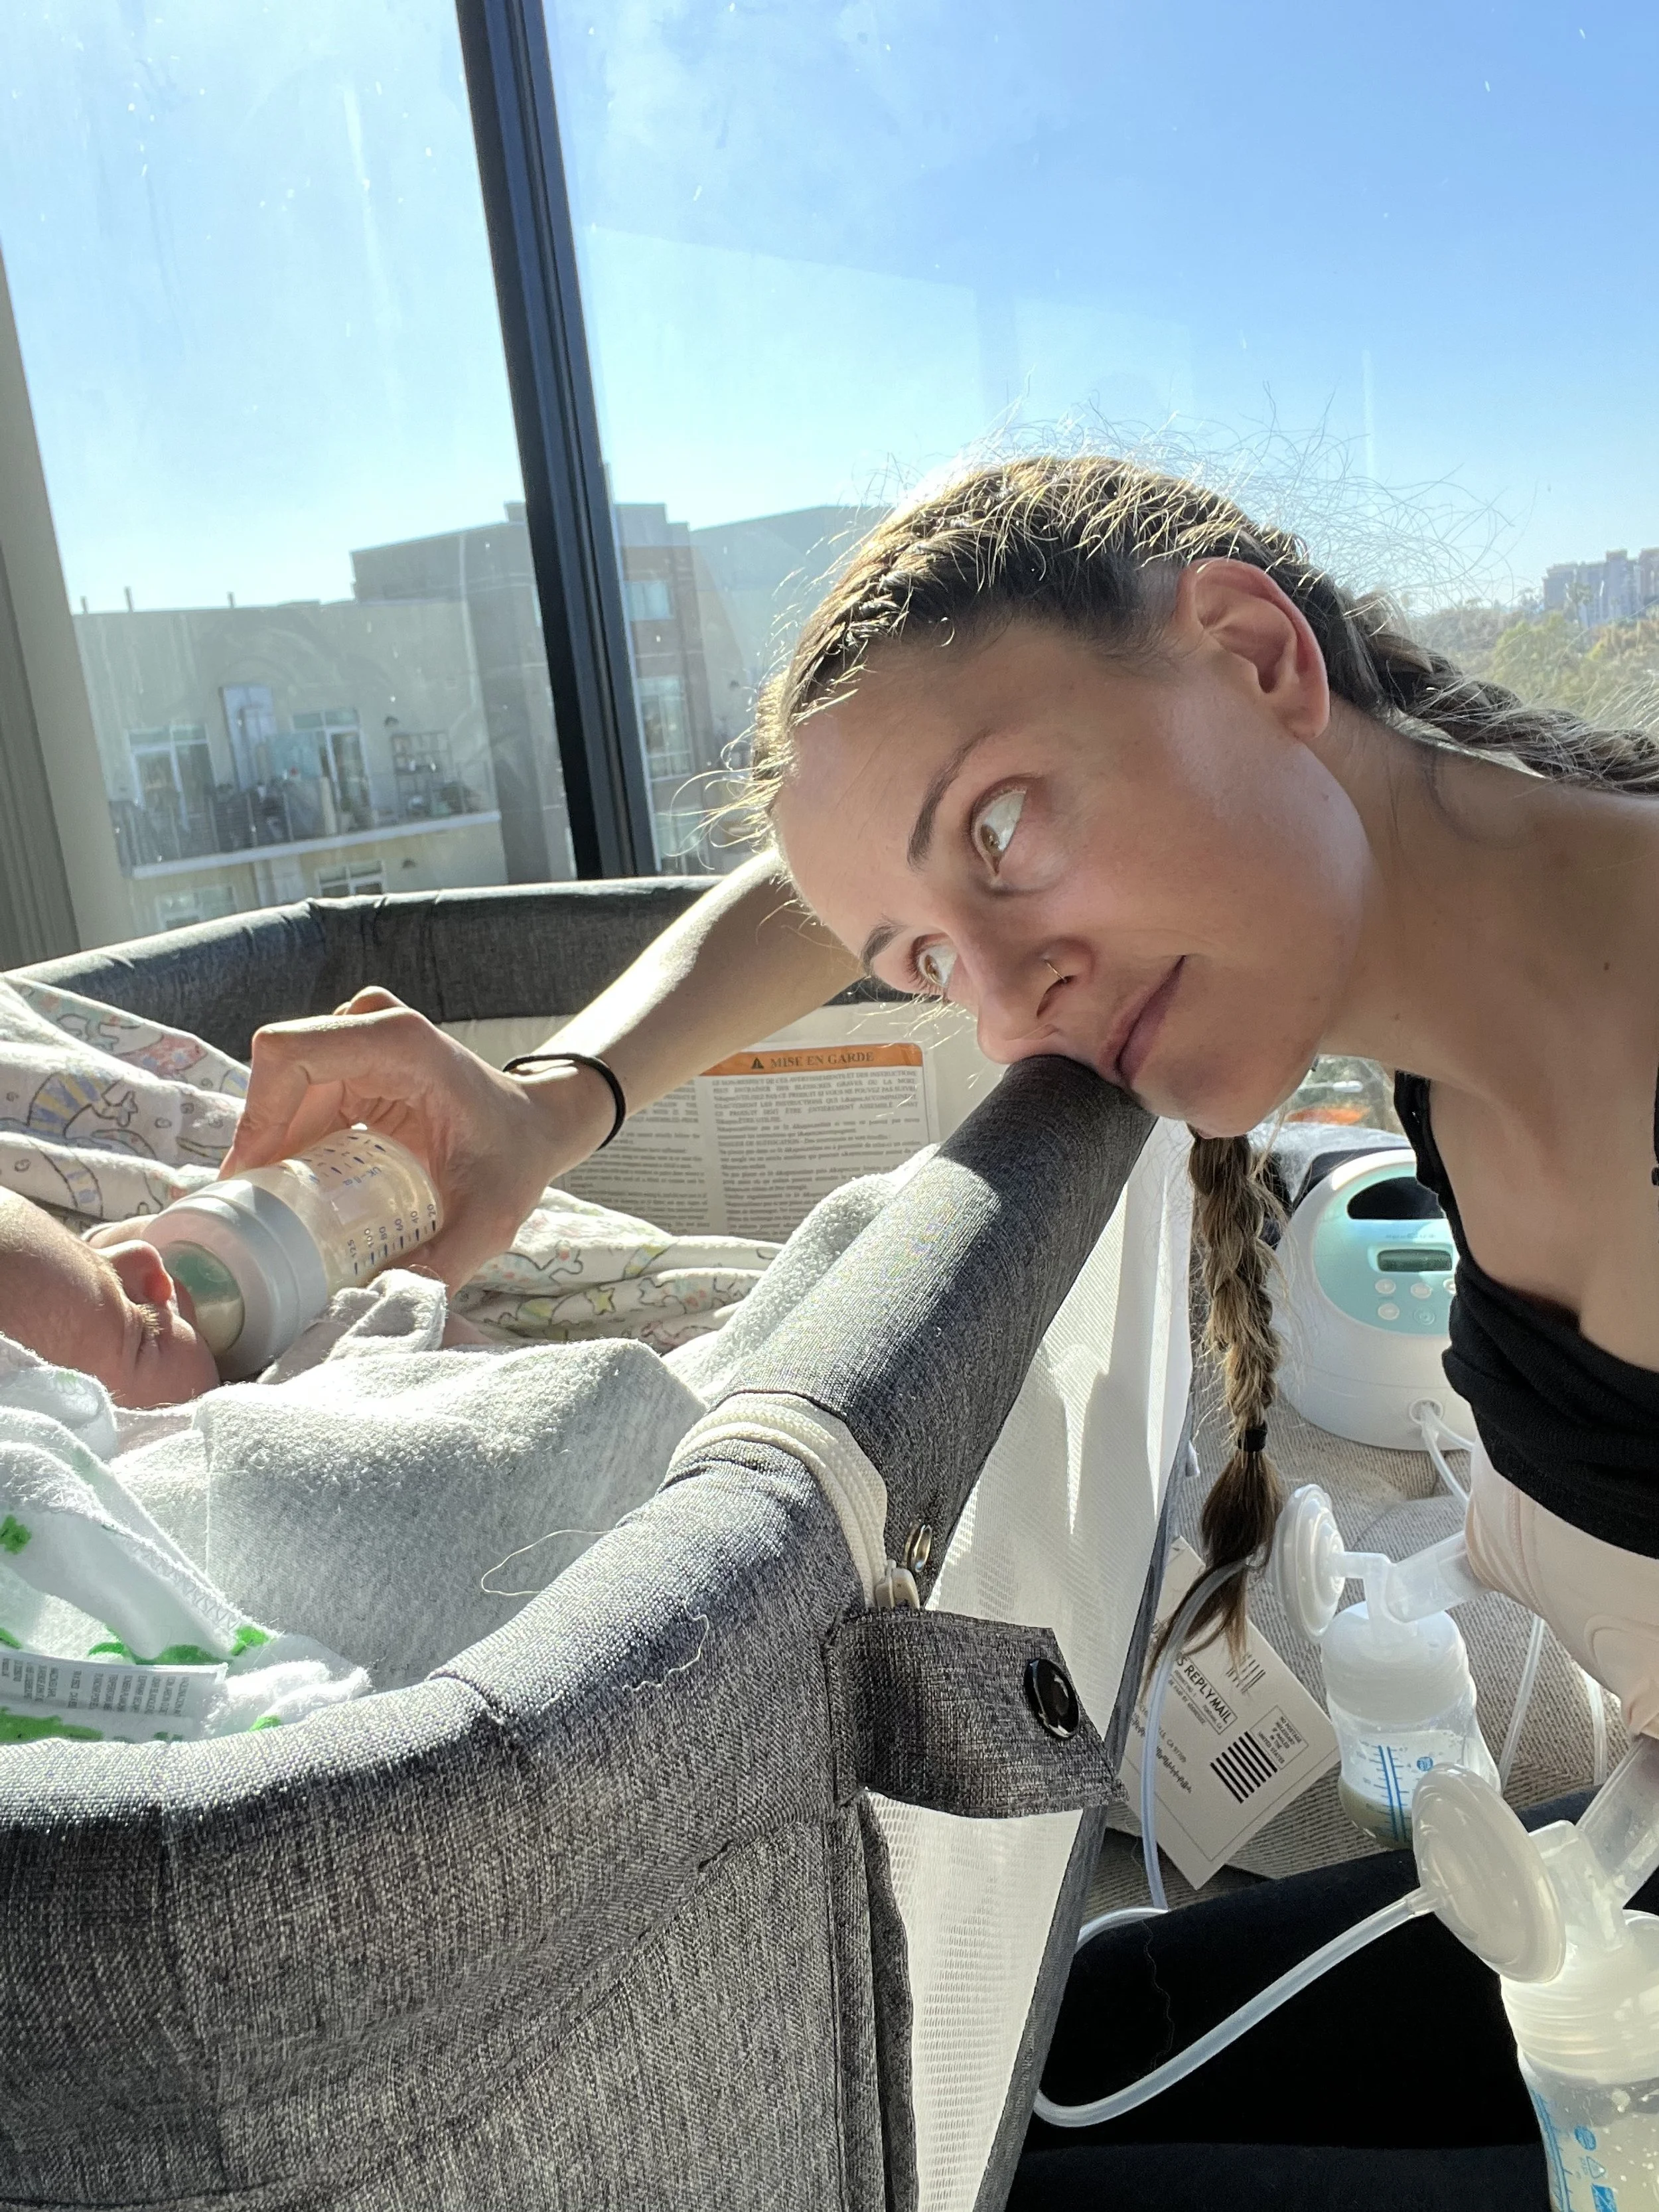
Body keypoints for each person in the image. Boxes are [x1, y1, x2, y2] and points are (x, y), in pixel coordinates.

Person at [218, 455, 1659, 2198]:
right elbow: (807, 877)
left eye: (1000, 827)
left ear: (1259, 659)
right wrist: (548, 1105)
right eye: (920, 963)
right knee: (1006, 2082)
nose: (1000, 1007)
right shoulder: (1506, 947)